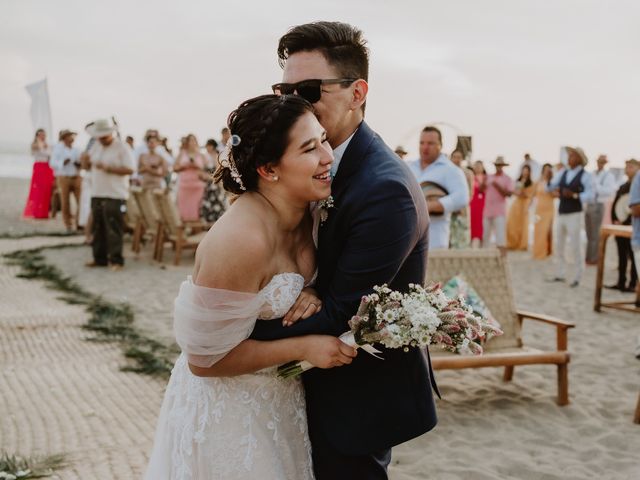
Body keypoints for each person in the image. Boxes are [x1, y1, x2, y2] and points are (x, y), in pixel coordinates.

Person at [257, 21, 437, 479]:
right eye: (285, 90)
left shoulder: (384, 189)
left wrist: (232, 340)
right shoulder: (306, 166)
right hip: (303, 380)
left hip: (356, 393)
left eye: (310, 90)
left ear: (358, 93)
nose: (295, 103)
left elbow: (343, 312)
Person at [145, 94, 355, 479]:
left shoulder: (311, 209)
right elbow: (204, 361)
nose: (328, 156)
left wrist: (314, 290)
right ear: (269, 169)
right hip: (229, 412)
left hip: (281, 403)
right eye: (310, 148)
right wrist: (305, 346)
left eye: (324, 139)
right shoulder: (240, 240)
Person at [84, 118, 135, 270]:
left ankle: (116, 260)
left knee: (114, 227)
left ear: (111, 133)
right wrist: (85, 160)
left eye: (104, 136)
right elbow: (87, 166)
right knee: (97, 227)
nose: (102, 139)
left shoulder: (122, 147)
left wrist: (109, 168)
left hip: (115, 193)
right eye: (100, 137)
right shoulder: (96, 146)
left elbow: (131, 169)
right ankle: (99, 259)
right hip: (97, 191)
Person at [408, 126, 469, 249]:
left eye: (430, 143)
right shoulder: (408, 167)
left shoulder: (451, 170)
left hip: (435, 237)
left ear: (440, 145)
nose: (425, 147)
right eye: (422, 143)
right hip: (407, 236)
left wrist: (431, 206)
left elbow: (462, 197)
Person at [547, 146, 594, 287]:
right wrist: (549, 180)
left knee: (575, 245)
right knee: (559, 244)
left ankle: (577, 276)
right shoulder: (563, 173)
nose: (569, 158)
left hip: (575, 214)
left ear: (579, 159)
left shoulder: (586, 176)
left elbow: (591, 196)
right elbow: (549, 188)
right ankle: (560, 273)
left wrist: (574, 195)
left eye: (572, 156)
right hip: (561, 213)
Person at [606, 159, 639, 291]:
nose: (627, 169)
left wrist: (625, 221)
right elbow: (617, 205)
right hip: (620, 225)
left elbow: (633, 208)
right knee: (621, 254)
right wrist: (615, 220)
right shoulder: (623, 186)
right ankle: (621, 282)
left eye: (631, 167)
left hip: (632, 226)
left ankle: (632, 284)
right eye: (626, 167)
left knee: (633, 256)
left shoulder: (635, 184)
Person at [584, 154, 617, 264]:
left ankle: (594, 258)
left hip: (598, 205)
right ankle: (589, 257)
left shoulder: (608, 176)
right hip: (589, 204)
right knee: (589, 234)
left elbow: (608, 191)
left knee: (595, 234)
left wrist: (597, 187)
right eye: (599, 161)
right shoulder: (592, 174)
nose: (600, 164)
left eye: (602, 162)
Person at [50, 129, 82, 232]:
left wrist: (78, 164)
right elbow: (52, 163)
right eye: (70, 136)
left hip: (76, 176)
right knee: (65, 202)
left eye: (73, 136)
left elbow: (81, 163)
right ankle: (68, 224)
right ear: (64, 138)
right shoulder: (58, 149)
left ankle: (79, 223)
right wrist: (63, 162)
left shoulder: (77, 149)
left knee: (81, 201)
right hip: (63, 177)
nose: (72, 138)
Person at [481, 156, 514, 255]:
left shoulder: (507, 179)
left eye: (500, 165)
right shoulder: (489, 177)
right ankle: (484, 256)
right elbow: (481, 190)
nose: (498, 167)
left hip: (499, 211)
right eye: (497, 165)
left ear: (503, 166)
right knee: (485, 235)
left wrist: (497, 185)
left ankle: (502, 257)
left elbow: (508, 194)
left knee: (500, 236)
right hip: (487, 210)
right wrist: (483, 182)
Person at [23, 128, 55, 219]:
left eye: (44, 134)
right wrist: (40, 142)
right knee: (38, 189)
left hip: (47, 167)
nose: (43, 136)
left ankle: (45, 212)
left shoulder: (48, 145)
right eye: (40, 134)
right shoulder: (35, 144)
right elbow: (36, 150)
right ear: (37, 135)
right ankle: (37, 212)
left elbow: (51, 155)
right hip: (39, 167)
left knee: (47, 190)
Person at [174, 134, 207, 221]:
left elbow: (206, 171)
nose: (192, 142)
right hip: (184, 185)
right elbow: (175, 168)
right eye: (190, 140)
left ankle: (196, 230)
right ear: (187, 142)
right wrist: (184, 166)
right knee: (183, 210)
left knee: (196, 209)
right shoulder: (182, 153)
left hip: (197, 186)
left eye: (194, 140)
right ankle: (186, 230)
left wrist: (196, 166)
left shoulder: (201, 155)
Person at [506, 164, 535, 250]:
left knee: (523, 225)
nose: (525, 172)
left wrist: (522, 192)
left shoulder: (531, 183)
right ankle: (512, 243)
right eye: (524, 170)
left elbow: (530, 195)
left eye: (527, 170)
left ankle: (522, 245)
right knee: (512, 223)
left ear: (529, 172)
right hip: (516, 204)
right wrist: (517, 191)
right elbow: (514, 191)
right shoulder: (518, 180)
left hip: (524, 204)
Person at [449, 149, 473, 249]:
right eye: (455, 157)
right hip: (449, 209)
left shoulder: (468, 173)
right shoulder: (447, 172)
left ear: (462, 159)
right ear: (451, 158)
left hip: (463, 210)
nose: (457, 159)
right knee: (450, 237)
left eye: (459, 157)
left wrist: (460, 205)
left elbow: (470, 192)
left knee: (463, 237)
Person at [200, 138, 228, 223]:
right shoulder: (206, 157)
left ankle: (217, 222)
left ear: (212, 146)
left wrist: (208, 177)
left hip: (214, 184)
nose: (207, 148)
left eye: (208, 146)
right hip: (208, 184)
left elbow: (218, 172)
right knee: (209, 203)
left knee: (216, 202)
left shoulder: (216, 156)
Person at [532, 163, 555, 259]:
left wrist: (549, 187)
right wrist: (528, 207)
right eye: (545, 169)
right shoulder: (538, 182)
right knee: (538, 230)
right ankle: (538, 251)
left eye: (548, 170)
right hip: (539, 209)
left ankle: (547, 251)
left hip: (549, 209)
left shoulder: (553, 182)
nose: (546, 171)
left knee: (547, 230)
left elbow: (555, 195)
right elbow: (533, 194)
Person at [470, 160, 486, 247]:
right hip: (472, 205)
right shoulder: (470, 177)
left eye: (479, 166)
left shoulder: (486, 178)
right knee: (473, 224)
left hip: (483, 205)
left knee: (482, 226)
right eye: (476, 166)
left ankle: (482, 244)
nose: (478, 168)